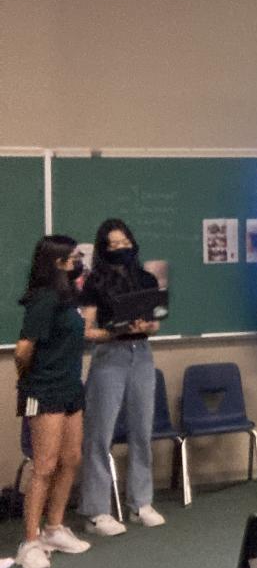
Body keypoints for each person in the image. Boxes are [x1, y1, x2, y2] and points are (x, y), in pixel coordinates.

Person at [79, 219, 165, 534]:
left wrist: (146, 326)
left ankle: (140, 503)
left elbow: (156, 322)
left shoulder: (145, 278)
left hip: (141, 355)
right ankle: (96, 512)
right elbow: (87, 331)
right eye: (113, 244)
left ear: (132, 243)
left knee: (142, 431)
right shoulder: (94, 282)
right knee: (99, 435)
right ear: (103, 249)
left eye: (124, 242)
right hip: (109, 357)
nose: (120, 248)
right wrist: (115, 331)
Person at [13, 235, 91, 568]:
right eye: (73, 257)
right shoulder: (43, 299)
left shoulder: (68, 296)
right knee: (44, 465)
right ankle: (30, 542)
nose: (78, 261)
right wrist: (30, 381)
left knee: (71, 458)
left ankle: (54, 529)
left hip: (70, 387)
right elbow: (23, 351)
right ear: (57, 262)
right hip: (44, 391)